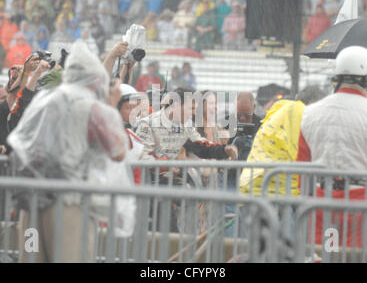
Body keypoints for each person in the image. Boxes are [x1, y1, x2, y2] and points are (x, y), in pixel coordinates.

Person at [9, 41, 130, 263]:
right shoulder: (90, 106)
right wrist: (111, 106)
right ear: (94, 79)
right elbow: (118, 150)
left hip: (29, 201)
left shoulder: (44, 99)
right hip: (67, 204)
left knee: (31, 258)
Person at [297, 46, 367, 249]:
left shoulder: (310, 113)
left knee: (327, 254)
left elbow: (302, 164)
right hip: (360, 205)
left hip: (321, 203)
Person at [135, 87, 238, 162]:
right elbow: (142, 156)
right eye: (191, 108)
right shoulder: (148, 124)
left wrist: (224, 150)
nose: (194, 113)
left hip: (175, 180)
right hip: (150, 182)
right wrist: (166, 165)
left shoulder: (186, 125)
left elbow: (201, 146)